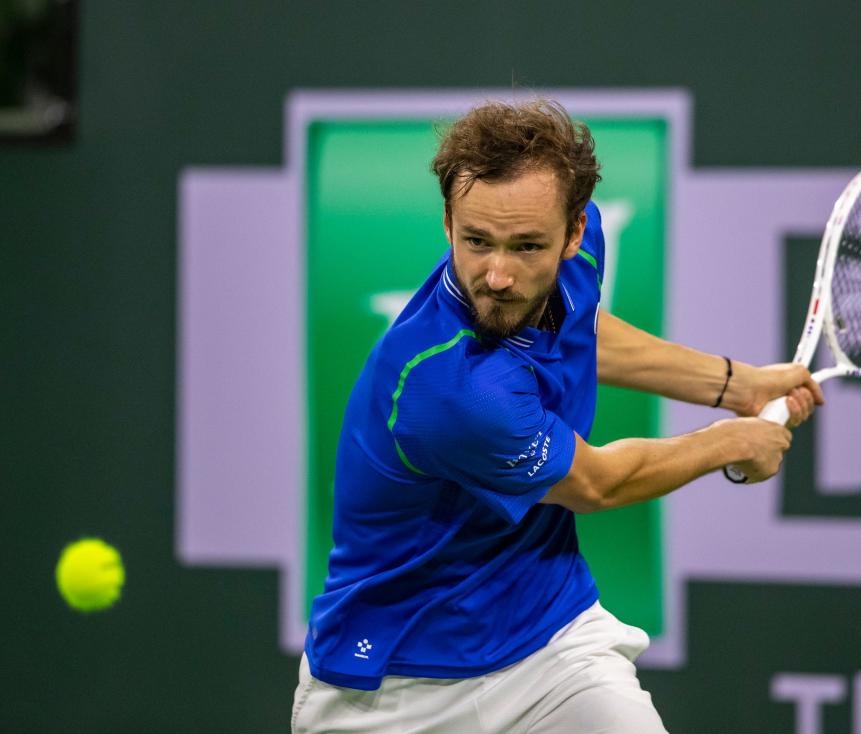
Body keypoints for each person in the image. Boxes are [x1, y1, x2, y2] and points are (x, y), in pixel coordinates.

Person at [290, 99, 823, 734]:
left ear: (575, 232)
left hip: (552, 645)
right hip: (397, 688)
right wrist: (733, 441)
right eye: (476, 241)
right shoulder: (454, 390)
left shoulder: (575, 257)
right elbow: (599, 483)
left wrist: (735, 383)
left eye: (527, 247)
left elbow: (583, 329)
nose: (497, 275)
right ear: (447, 221)